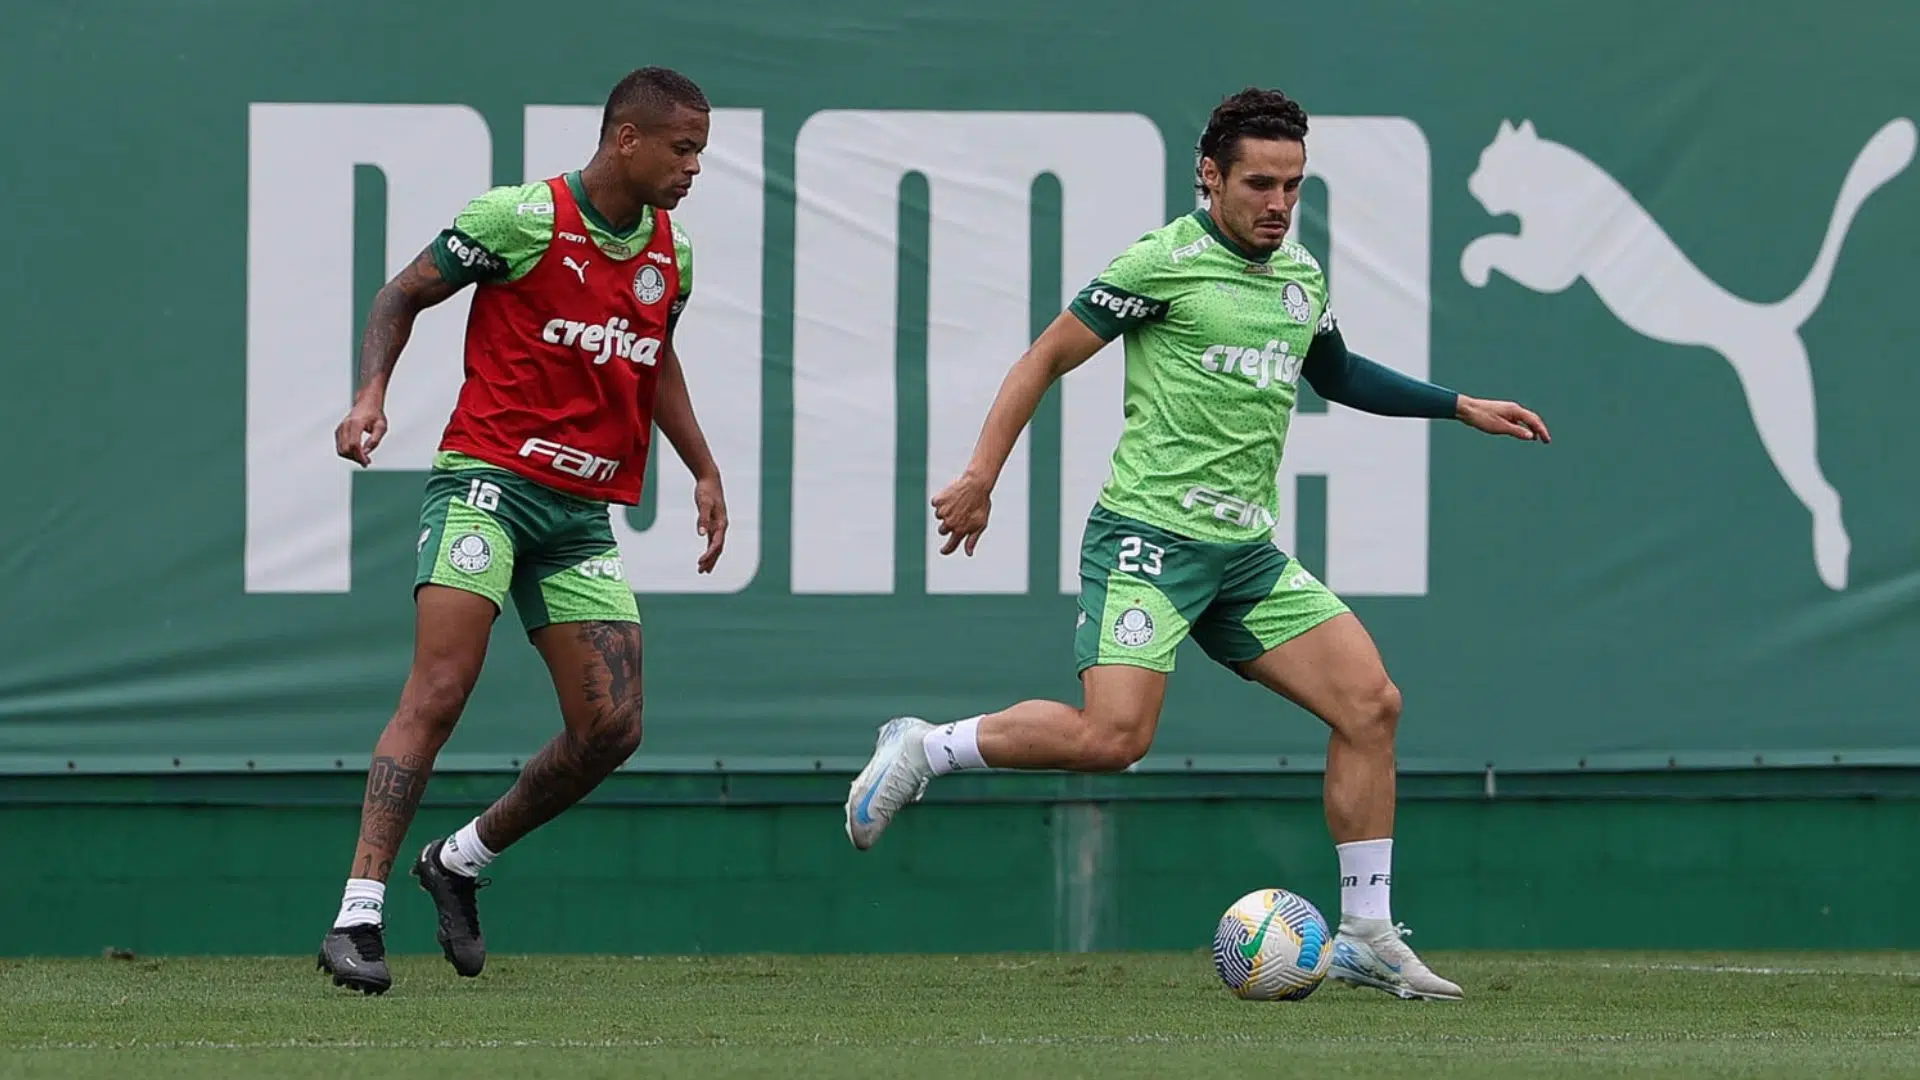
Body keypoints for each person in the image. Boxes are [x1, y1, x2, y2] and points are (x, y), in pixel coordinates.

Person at [842, 87, 1550, 1002]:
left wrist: (1456, 405)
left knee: (1371, 705)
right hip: (1150, 538)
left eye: (1294, 185)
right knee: (1113, 738)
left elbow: (1334, 374)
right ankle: (924, 747)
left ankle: (1367, 932)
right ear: (1209, 176)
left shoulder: (1299, 274)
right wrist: (981, 474)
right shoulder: (1161, 263)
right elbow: (1045, 357)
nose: (1279, 203)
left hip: (1244, 557)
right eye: (1260, 182)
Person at [316, 66, 727, 995]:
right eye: (683, 147)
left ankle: (458, 861)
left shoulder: (673, 252)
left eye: (700, 149)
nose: (695, 167)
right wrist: (371, 394)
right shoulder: (520, 219)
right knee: (443, 686)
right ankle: (357, 917)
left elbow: (654, 360)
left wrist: (703, 467)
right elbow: (400, 295)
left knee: (612, 729)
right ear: (626, 138)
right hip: (488, 487)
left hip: (579, 516)